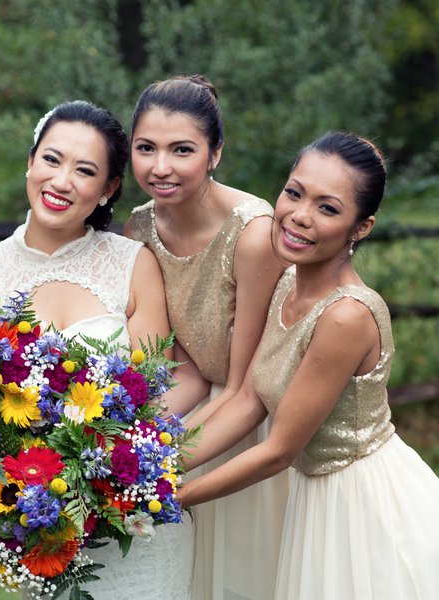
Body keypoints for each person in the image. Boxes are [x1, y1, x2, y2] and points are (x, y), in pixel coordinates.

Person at [177, 132, 439, 599]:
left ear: (362, 227)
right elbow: (247, 401)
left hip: (365, 505)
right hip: (314, 496)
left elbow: (278, 450)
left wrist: (170, 497)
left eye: (328, 208)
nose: (299, 216)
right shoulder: (286, 284)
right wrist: (151, 464)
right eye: (294, 193)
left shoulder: (346, 316)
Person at [0, 100, 204, 600]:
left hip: (134, 520)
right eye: (51, 159)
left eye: (84, 170)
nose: (61, 180)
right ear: (30, 161)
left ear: (109, 187)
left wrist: (113, 462)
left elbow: (158, 383)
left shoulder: (133, 262)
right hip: (41, 522)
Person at [122, 75, 287, 600]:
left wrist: (150, 463)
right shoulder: (139, 226)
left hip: (254, 424)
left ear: (215, 153)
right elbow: (176, 362)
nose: (160, 166)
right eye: (146, 148)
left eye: (182, 150)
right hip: (191, 415)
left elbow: (247, 388)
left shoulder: (254, 232)